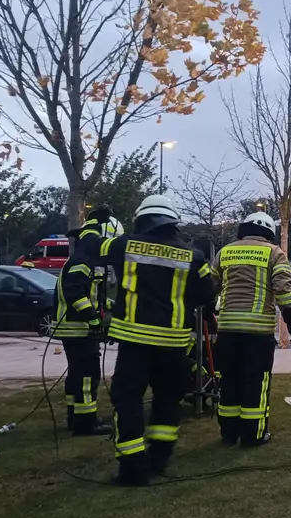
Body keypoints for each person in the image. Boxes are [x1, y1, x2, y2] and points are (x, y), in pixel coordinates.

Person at [89, 194, 217, 486]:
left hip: (134, 341)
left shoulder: (123, 245)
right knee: (167, 399)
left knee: (128, 399)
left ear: (143, 220)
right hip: (174, 343)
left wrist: (93, 223)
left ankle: (132, 468)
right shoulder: (194, 257)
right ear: (172, 222)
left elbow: (93, 248)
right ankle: (160, 458)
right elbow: (207, 295)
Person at [212, 212, 291, 447]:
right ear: (269, 233)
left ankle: (229, 434)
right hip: (257, 332)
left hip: (228, 330)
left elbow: (209, 287)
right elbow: (283, 291)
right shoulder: (274, 253)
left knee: (229, 381)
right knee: (256, 382)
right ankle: (254, 434)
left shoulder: (225, 252)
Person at [52, 206, 124, 436]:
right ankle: (86, 423)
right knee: (87, 374)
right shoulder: (84, 259)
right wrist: (93, 320)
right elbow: (75, 293)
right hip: (77, 327)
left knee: (76, 373)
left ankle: (76, 417)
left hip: (75, 327)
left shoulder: (86, 257)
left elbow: (94, 296)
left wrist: (115, 308)